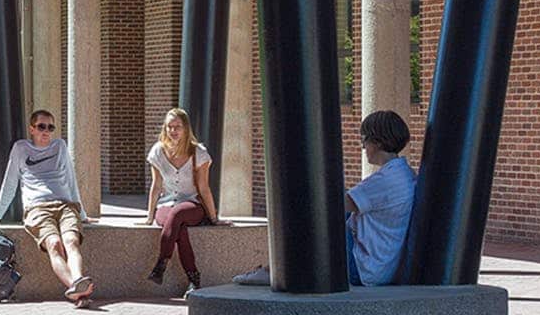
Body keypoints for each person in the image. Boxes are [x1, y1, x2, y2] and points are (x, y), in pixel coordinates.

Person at [233, 110, 415, 287]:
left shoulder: (385, 181)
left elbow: (332, 205)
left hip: (364, 269)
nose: (362, 147)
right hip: (383, 266)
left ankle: (275, 271)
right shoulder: (402, 173)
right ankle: (274, 269)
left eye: (364, 140)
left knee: (318, 214)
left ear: (378, 142)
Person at [0, 109, 96, 308]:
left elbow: (71, 180)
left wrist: (82, 214)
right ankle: (77, 287)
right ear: (32, 129)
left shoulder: (60, 146)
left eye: (50, 127)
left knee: (71, 241)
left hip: (65, 205)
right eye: (41, 126)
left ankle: (77, 284)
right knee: (54, 243)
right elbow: (10, 182)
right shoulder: (21, 149)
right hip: (37, 208)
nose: (46, 131)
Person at [143, 108, 226, 295]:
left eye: (177, 127)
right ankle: (194, 279)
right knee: (178, 226)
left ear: (186, 128)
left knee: (178, 214)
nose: (173, 131)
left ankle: (161, 263)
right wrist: (149, 217)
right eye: (169, 127)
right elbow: (156, 186)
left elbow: (204, 188)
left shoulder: (199, 153)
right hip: (166, 203)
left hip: (192, 204)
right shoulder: (157, 151)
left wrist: (214, 218)